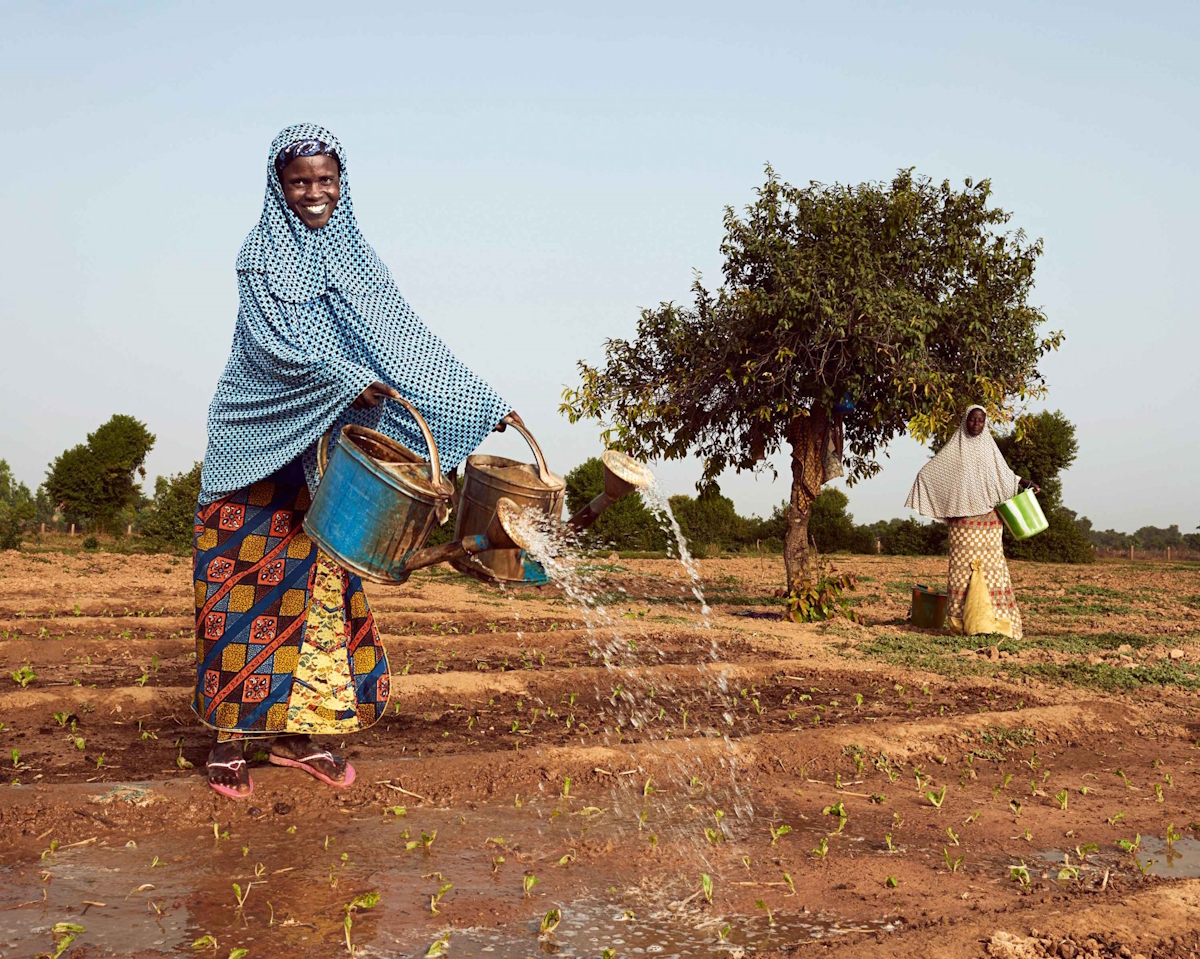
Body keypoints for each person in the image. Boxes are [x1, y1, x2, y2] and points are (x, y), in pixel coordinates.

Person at [194, 123, 518, 798]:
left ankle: (297, 738)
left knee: (322, 595)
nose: (314, 193)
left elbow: (405, 337)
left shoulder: (357, 257)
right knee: (241, 592)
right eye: (300, 181)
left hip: (325, 459)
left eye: (325, 180)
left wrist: (481, 400)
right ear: (278, 186)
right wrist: (344, 376)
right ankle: (228, 742)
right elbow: (271, 348)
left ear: (343, 181)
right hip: (258, 447)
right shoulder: (260, 257)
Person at [904, 405, 1038, 639]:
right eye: (973, 420)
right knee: (961, 573)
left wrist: (1026, 483)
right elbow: (928, 473)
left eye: (981, 421)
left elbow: (1005, 475)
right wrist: (926, 486)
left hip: (990, 520)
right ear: (965, 420)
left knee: (993, 570)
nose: (976, 424)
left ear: (985, 423)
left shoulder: (989, 449)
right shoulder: (953, 451)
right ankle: (961, 625)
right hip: (962, 524)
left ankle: (997, 624)